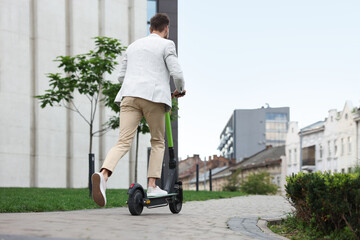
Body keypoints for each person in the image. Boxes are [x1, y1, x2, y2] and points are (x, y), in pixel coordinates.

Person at [91, 13, 185, 207]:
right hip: (153, 97)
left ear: (150, 28)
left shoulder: (133, 46)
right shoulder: (167, 44)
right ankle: (152, 185)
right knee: (158, 141)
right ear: (166, 29)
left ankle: (104, 175)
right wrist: (180, 89)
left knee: (123, 142)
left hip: (129, 96)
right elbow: (176, 72)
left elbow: (120, 78)